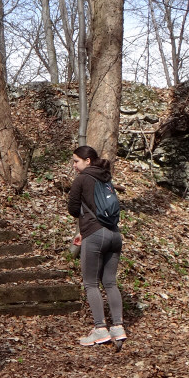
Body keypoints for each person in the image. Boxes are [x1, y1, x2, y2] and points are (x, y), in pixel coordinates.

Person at [67, 145, 126, 346]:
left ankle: (100, 329)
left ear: (88, 161)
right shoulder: (106, 178)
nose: (74, 165)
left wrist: (87, 230)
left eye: (76, 161)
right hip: (115, 235)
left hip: (95, 235)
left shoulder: (82, 179)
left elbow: (73, 208)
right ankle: (118, 327)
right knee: (109, 282)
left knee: (91, 283)